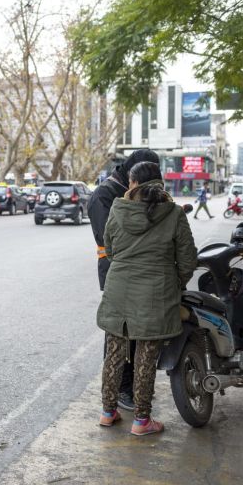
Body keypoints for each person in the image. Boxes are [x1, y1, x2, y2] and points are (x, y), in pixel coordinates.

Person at [97, 161, 197, 435]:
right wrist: (175, 283)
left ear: (132, 183)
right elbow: (187, 259)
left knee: (115, 353)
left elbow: (110, 249)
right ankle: (142, 421)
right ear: (159, 183)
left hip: (119, 289)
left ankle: (108, 412)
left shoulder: (118, 209)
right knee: (146, 357)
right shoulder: (174, 213)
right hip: (157, 293)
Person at [87, 149, 159, 411]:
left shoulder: (136, 191)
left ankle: (133, 386)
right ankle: (121, 389)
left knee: (138, 334)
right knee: (119, 336)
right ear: (133, 175)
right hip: (116, 273)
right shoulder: (104, 195)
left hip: (140, 272)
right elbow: (108, 239)